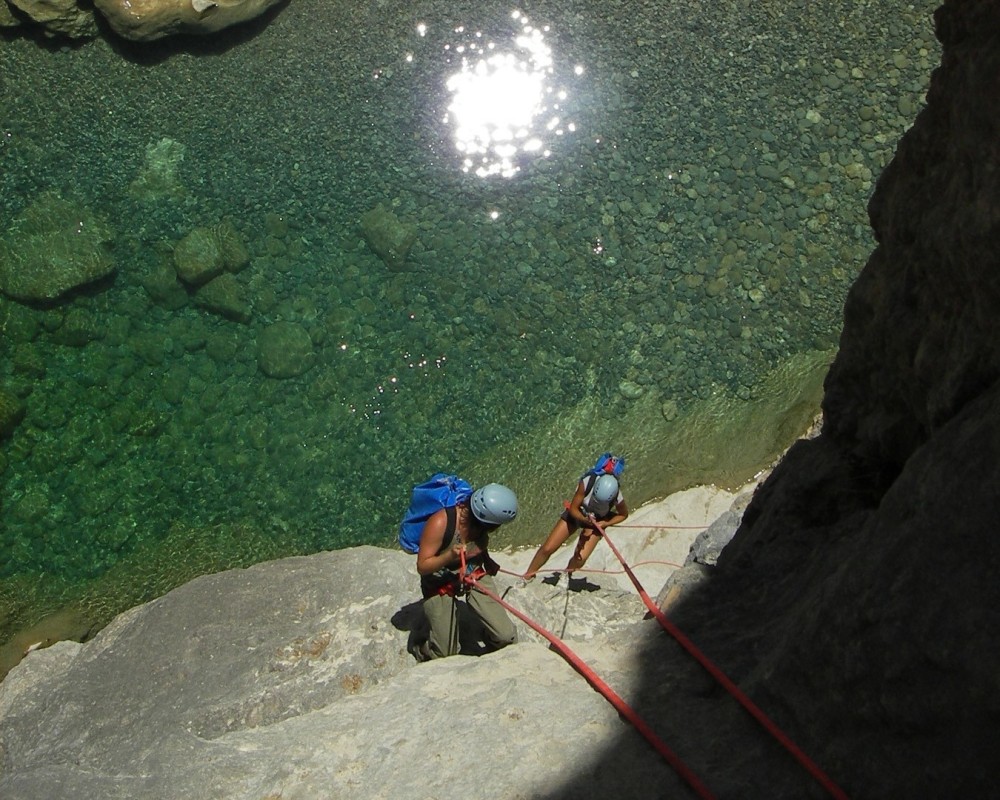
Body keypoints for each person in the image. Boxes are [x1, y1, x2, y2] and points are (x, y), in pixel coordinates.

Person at [413, 483, 519, 661]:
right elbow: (422, 566)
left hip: (471, 573)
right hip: (440, 581)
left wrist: (487, 561)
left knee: (505, 637)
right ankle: (422, 647)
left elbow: (479, 545)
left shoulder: (480, 527)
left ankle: (490, 636)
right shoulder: (441, 522)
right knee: (445, 654)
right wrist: (448, 557)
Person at [523, 455, 629, 581]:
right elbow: (573, 509)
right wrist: (585, 519)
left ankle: (566, 574)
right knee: (547, 548)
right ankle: (528, 575)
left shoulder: (616, 494)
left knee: (581, 559)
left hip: (597, 521)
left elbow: (623, 514)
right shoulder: (587, 482)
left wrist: (604, 524)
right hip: (578, 513)